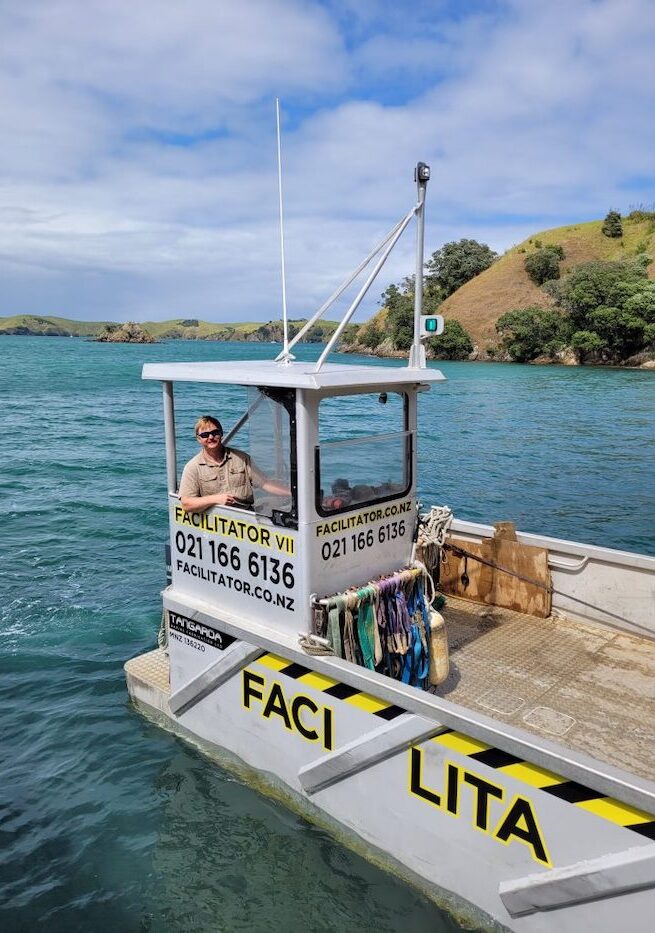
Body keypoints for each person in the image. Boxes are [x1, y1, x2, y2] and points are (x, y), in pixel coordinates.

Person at [178, 415, 289, 513]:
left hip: (246, 514)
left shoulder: (241, 458)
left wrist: (293, 494)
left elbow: (265, 483)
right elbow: (187, 504)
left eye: (215, 433)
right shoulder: (193, 467)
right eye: (205, 435)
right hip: (215, 521)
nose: (211, 437)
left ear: (221, 434)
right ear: (198, 439)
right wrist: (215, 499)